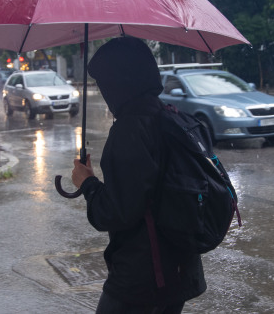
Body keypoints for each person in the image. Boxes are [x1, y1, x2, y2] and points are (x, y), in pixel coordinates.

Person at [72, 37, 206, 313]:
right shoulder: (173, 117)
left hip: (143, 278)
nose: (103, 91)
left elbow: (115, 213)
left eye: (103, 82)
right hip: (180, 270)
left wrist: (87, 184)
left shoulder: (130, 131)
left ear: (119, 81)